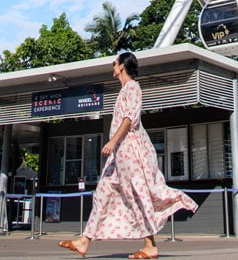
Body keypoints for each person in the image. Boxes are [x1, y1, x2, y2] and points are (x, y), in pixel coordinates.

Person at [59, 51, 197, 259]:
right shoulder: (124, 90)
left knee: (137, 193)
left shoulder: (133, 87)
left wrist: (113, 141)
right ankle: (84, 241)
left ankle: (150, 245)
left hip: (130, 149)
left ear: (122, 66)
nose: (112, 66)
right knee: (104, 191)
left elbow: (129, 119)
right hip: (119, 153)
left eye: (114, 63)